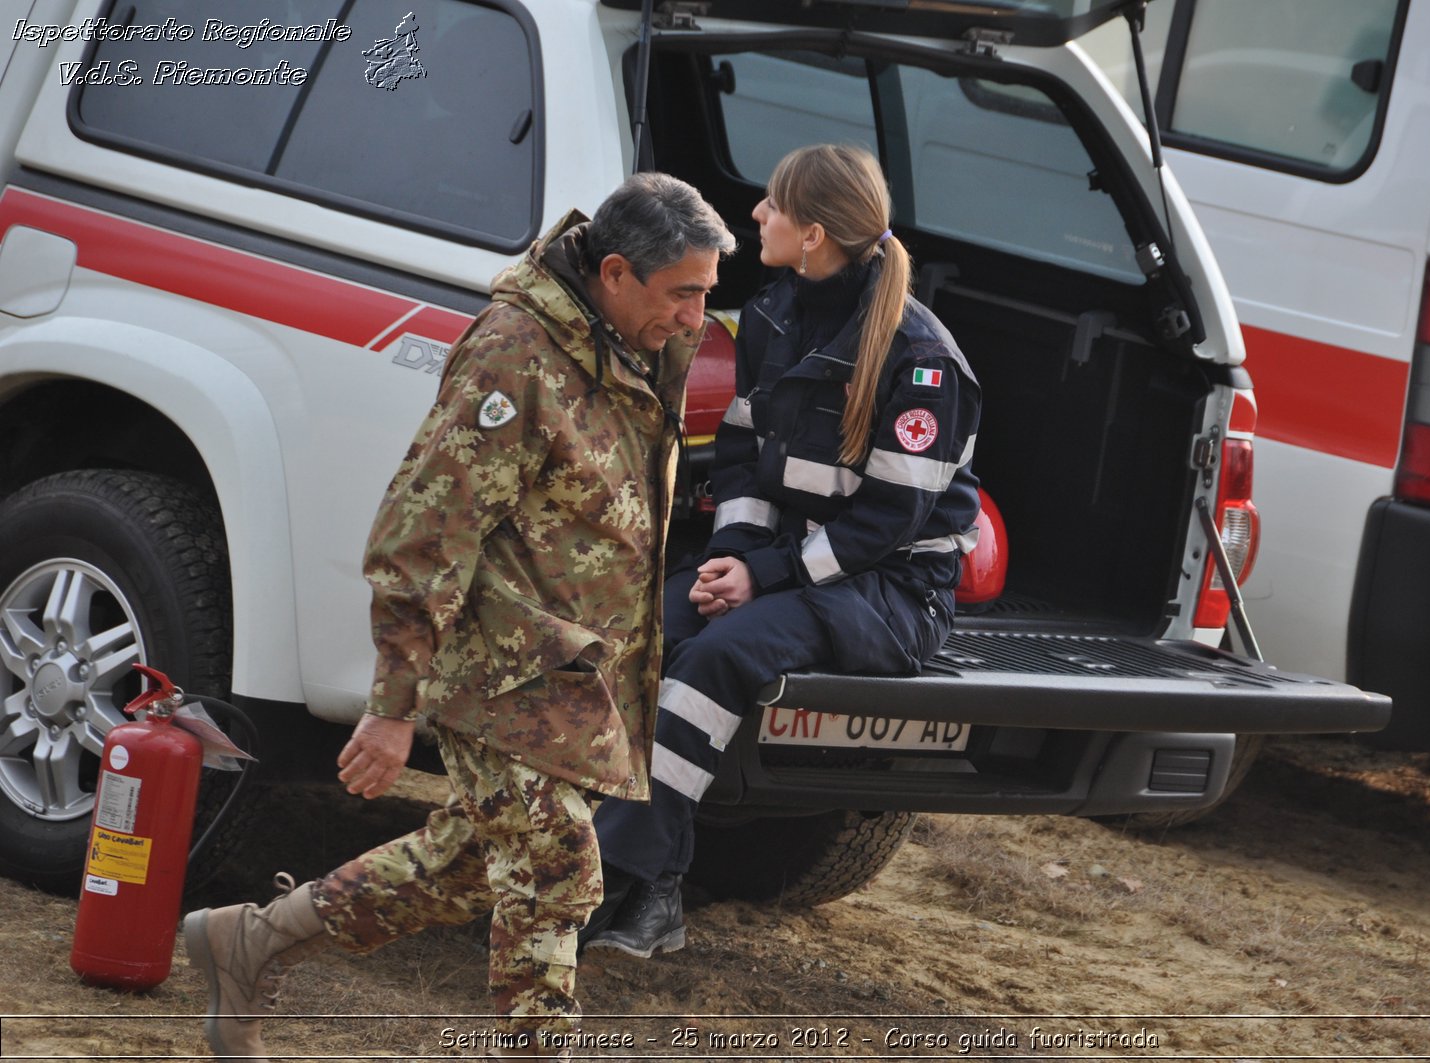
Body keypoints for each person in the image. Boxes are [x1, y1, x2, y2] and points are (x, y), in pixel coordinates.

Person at [181, 172, 735, 1059]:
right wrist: (393, 703)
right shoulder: (513, 353)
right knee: (556, 869)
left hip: (578, 674)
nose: (698, 315)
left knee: (472, 859)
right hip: (499, 667)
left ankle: (253, 940)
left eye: (708, 292)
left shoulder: (642, 339)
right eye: (685, 293)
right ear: (617, 273)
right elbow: (422, 531)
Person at [580, 144, 981, 958]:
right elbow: (742, 456)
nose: (755, 215)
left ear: (814, 234)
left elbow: (886, 527)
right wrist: (732, 557)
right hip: (792, 565)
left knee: (718, 657)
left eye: (772, 205)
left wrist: (763, 577)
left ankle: (615, 879)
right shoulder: (771, 315)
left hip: (891, 593)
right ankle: (645, 885)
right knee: (653, 627)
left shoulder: (923, 360)